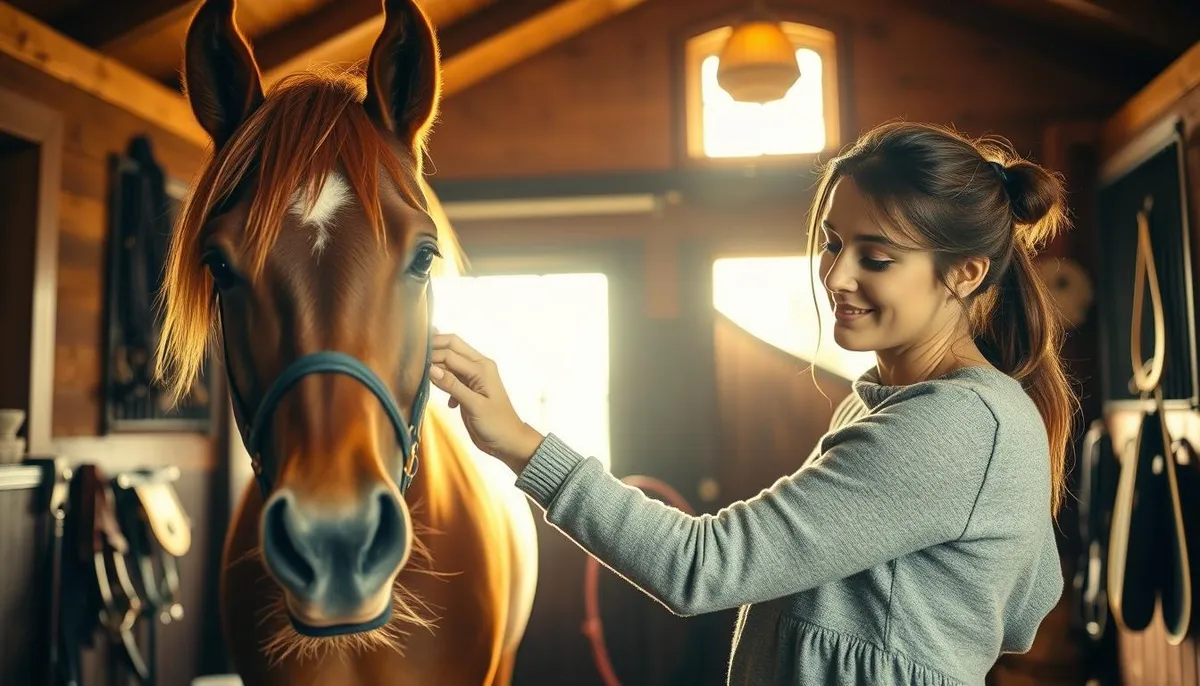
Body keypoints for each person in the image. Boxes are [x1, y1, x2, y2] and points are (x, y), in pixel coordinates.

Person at [427, 121, 1075, 685]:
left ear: (965, 273)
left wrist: (518, 442)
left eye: (875, 258)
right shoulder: (906, 407)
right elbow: (1027, 602)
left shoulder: (956, 424)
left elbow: (700, 567)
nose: (837, 276)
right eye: (831, 242)